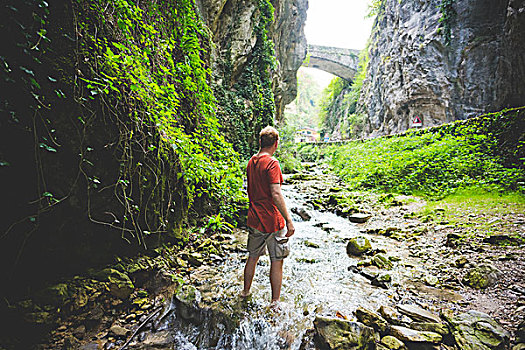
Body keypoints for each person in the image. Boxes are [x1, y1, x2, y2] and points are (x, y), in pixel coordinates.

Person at [241, 126, 295, 303]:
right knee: (277, 261)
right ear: (276, 144)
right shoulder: (272, 163)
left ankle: (245, 292)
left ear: (259, 142)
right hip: (272, 220)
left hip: (255, 218)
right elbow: (276, 193)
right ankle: (275, 302)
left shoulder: (251, 162)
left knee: (253, 257)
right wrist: (288, 220)